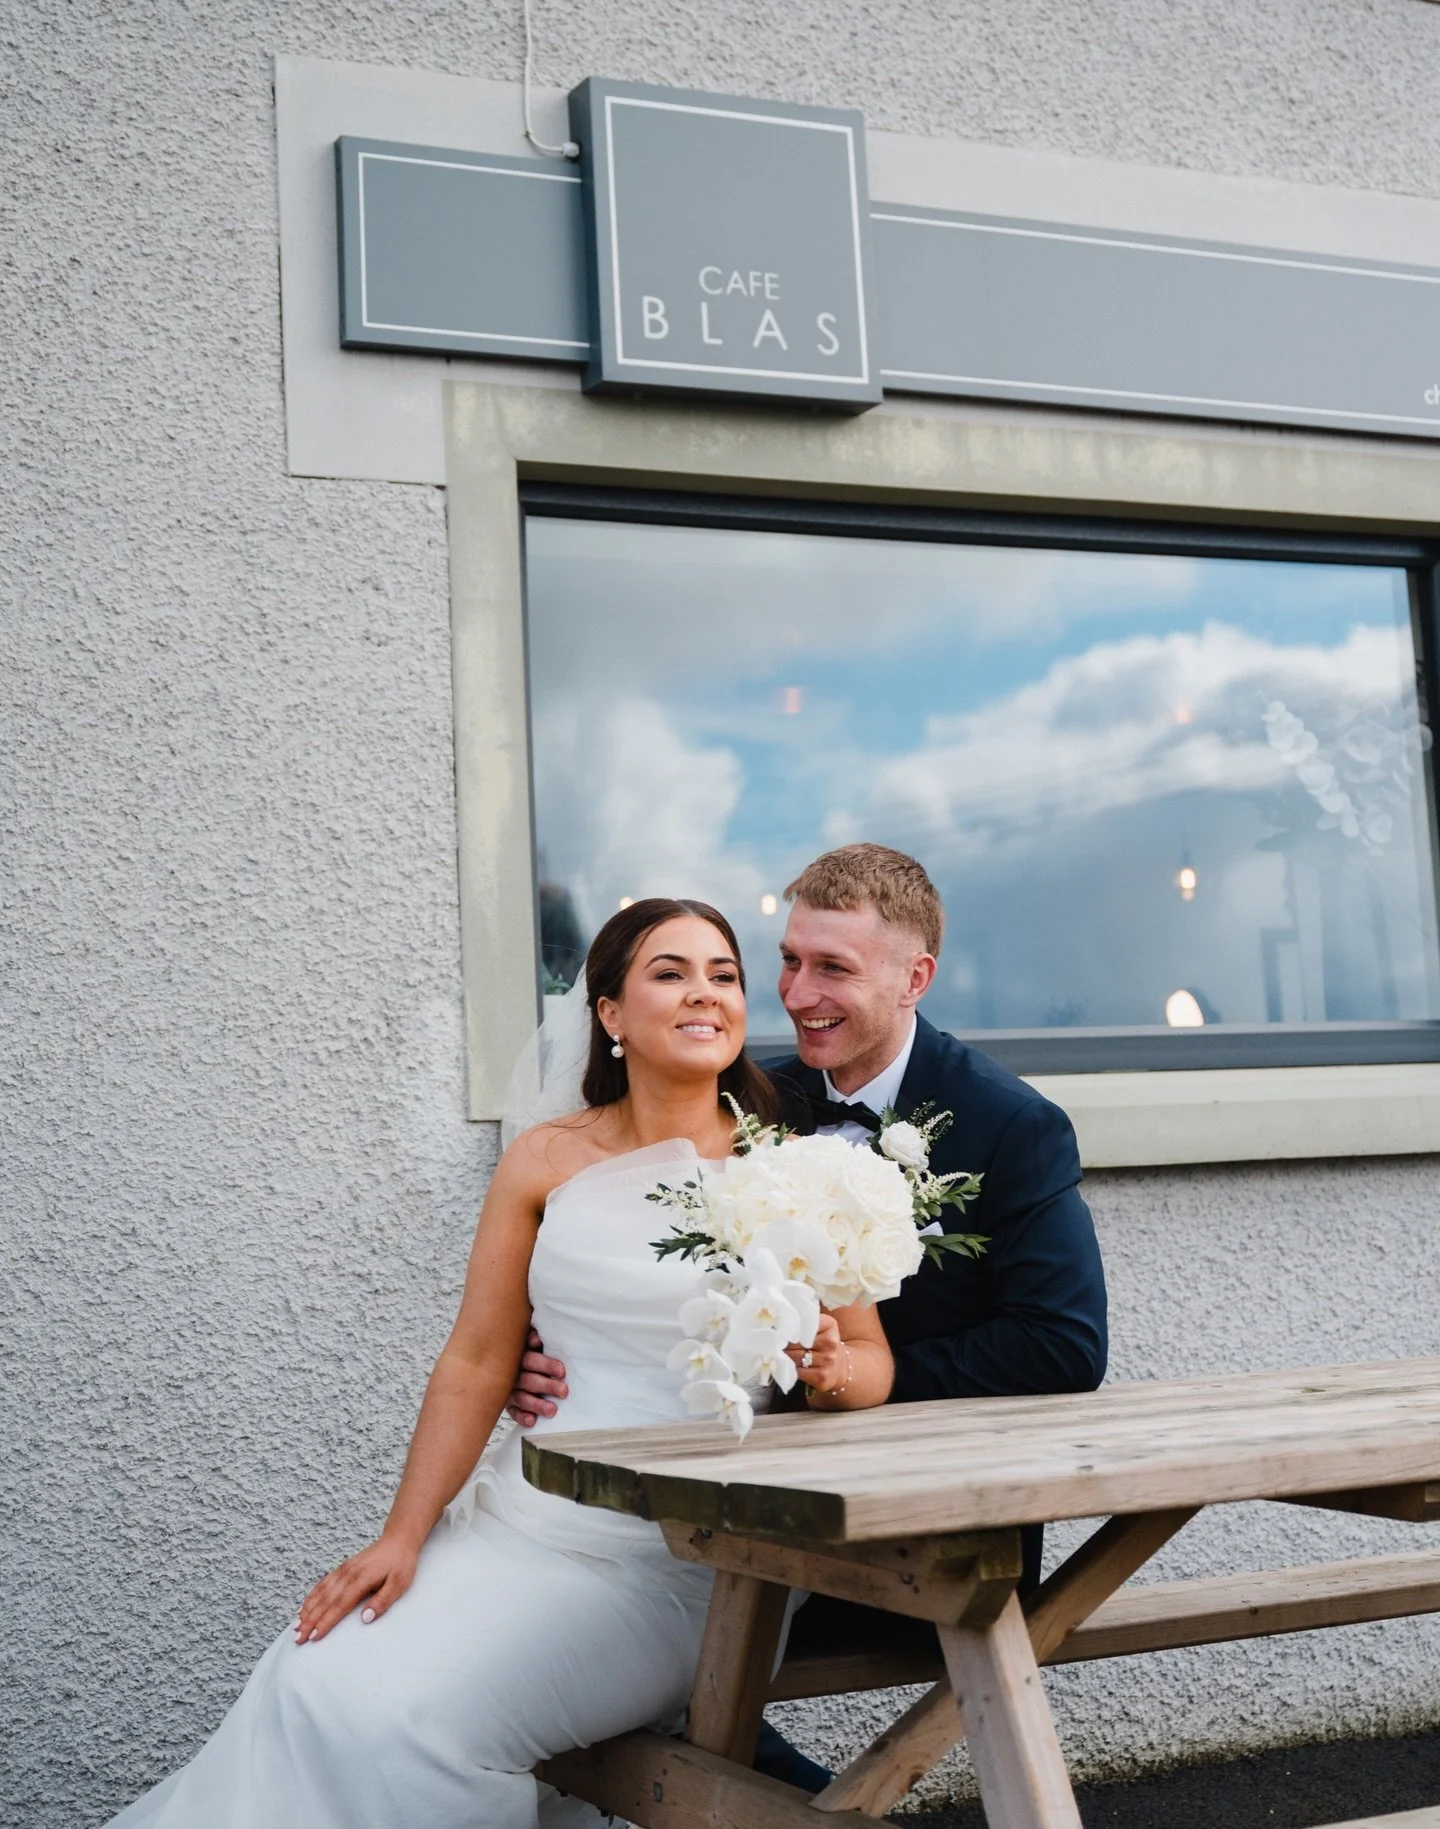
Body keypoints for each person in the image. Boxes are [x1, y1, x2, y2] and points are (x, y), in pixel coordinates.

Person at [102, 898, 894, 1829]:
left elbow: (873, 1362)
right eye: (670, 972)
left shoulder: (793, 1167)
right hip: (519, 1519)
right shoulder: (541, 1160)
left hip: (678, 1556)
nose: (705, 993)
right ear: (609, 1013)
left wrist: (831, 1369)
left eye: (723, 974)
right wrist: (402, 1534)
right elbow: (478, 1359)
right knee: (317, 1674)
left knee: (411, 1722)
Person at [508, 845, 1109, 1792]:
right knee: (576, 1616)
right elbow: (622, 1230)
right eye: (788, 961)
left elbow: (1064, 1343)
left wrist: (857, 1367)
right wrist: (547, 1349)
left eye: (833, 967)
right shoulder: (753, 1101)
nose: (798, 991)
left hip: (916, 1524)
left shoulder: (1011, 1125)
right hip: (735, 1505)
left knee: (610, 1629)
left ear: (916, 979)